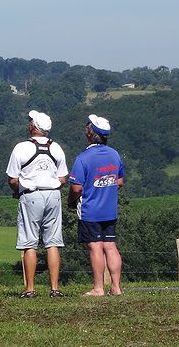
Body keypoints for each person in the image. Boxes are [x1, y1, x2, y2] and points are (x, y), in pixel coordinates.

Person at [6, 110, 68, 298]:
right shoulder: (56, 148)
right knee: (53, 243)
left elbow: (12, 179)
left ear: (33, 127)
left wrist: (18, 191)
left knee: (29, 243)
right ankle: (54, 288)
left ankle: (30, 288)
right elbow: (63, 178)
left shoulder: (21, 148)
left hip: (31, 195)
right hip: (54, 196)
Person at [67, 114, 124, 296]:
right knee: (110, 245)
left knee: (95, 246)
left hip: (90, 210)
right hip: (110, 208)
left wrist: (70, 201)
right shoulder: (114, 154)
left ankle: (98, 288)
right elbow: (120, 181)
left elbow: (76, 188)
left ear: (90, 133)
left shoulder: (83, 158)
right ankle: (116, 287)